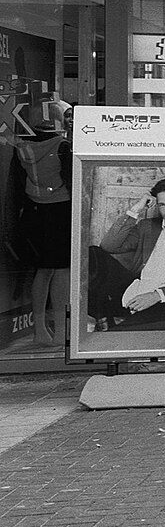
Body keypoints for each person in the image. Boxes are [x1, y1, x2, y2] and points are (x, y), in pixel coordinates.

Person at [85, 175, 165, 332]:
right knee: (92, 255)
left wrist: (155, 296)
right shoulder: (148, 227)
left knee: (117, 336)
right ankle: (104, 315)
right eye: (162, 205)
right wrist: (136, 209)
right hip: (135, 291)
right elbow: (108, 245)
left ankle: (110, 324)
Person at [12, 95, 72, 348]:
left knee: (43, 271)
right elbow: (71, 180)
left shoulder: (21, 147)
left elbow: (15, 185)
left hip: (35, 212)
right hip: (60, 210)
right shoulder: (62, 147)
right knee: (61, 270)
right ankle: (60, 330)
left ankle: (39, 329)